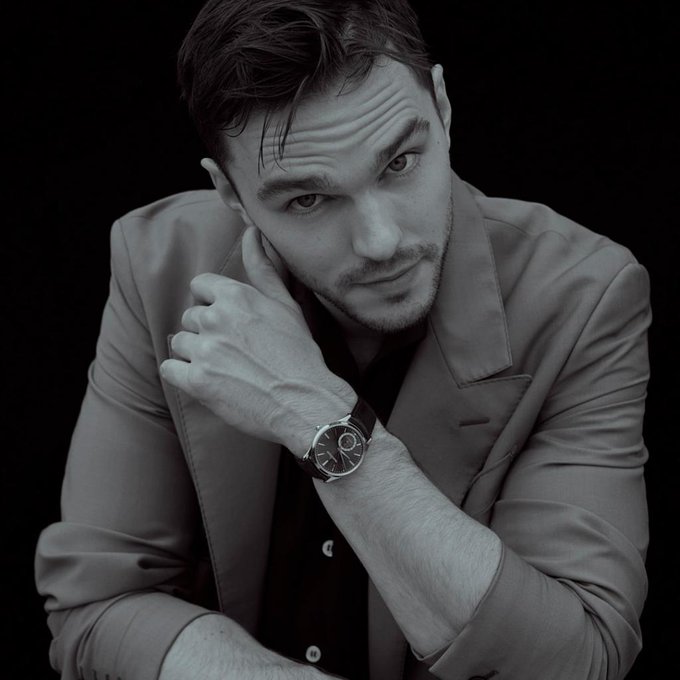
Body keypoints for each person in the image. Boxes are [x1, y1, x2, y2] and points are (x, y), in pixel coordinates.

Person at [34, 1, 651, 679]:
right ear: (231, 194)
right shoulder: (160, 265)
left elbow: (578, 660)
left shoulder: (582, 296)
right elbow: (98, 610)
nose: (380, 241)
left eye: (400, 163)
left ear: (443, 108)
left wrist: (318, 417)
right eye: (307, 200)